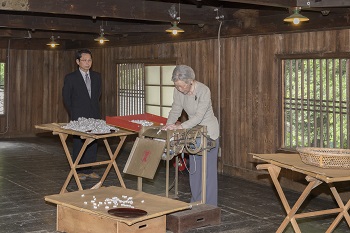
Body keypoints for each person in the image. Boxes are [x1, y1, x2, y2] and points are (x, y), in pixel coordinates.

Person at [163, 65, 220, 206]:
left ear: (190, 81)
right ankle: (196, 201)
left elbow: (199, 116)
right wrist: (168, 126)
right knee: (194, 170)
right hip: (193, 132)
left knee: (208, 171)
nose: (180, 89)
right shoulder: (178, 91)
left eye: (182, 86)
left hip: (209, 132)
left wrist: (180, 126)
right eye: (177, 87)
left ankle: (209, 205)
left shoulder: (203, 90)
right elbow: (176, 109)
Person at [62, 49, 102, 180]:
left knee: (92, 142)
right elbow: (66, 98)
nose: (87, 63)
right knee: (79, 142)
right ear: (77, 62)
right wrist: (74, 113)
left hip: (94, 114)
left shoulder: (97, 76)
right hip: (78, 115)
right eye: (84, 60)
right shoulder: (71, 77)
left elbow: (97, 95)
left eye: (89, 60)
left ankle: (89, 169)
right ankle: (78, 170)